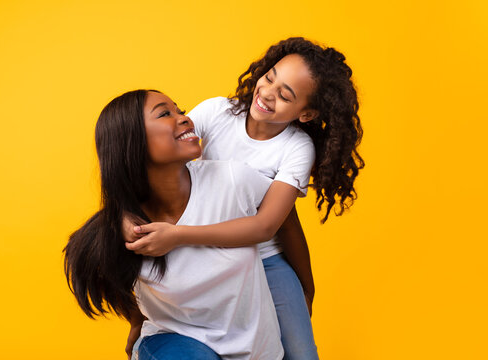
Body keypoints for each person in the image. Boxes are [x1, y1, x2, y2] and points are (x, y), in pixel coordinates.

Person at [125, 37, 365, 359]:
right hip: (204, 254)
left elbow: (267, 226)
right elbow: (166, 151)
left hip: (263, 257)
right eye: (269, 77)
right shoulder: (216, 113)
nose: (267, 93)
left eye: (285, 95)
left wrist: (306, 288)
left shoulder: (296, 148)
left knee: (301, 353)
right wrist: (124, 213)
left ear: (305, 114)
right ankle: (148, 334)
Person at [63, 89, 284, 359]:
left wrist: (306, 289)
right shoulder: (126, 227)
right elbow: (101, 270)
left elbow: (283, 218)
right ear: (132, 142)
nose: (185, 118)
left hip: (257, 351)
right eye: (165, 113)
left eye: (180, 110)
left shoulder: (232, 180)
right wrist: (136, 319)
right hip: (176, 344)